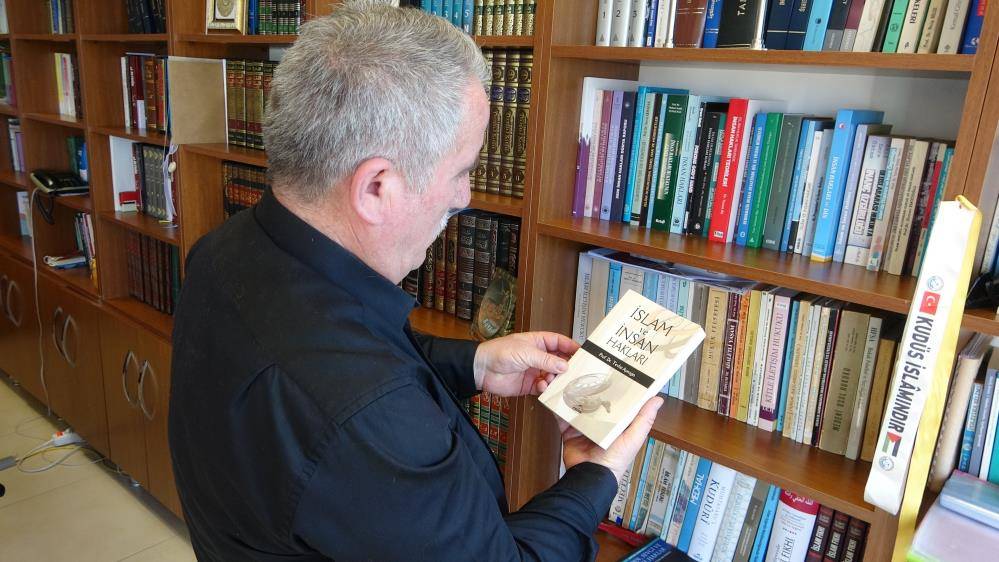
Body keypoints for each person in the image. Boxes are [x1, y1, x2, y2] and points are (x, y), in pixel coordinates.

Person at [169, 2, 663, 560]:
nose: (464, 197)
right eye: (462, 171)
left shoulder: (225, 251)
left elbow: (356, 349)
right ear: (376, 187)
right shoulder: (373, 422)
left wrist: (475, 364)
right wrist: (596, 476)